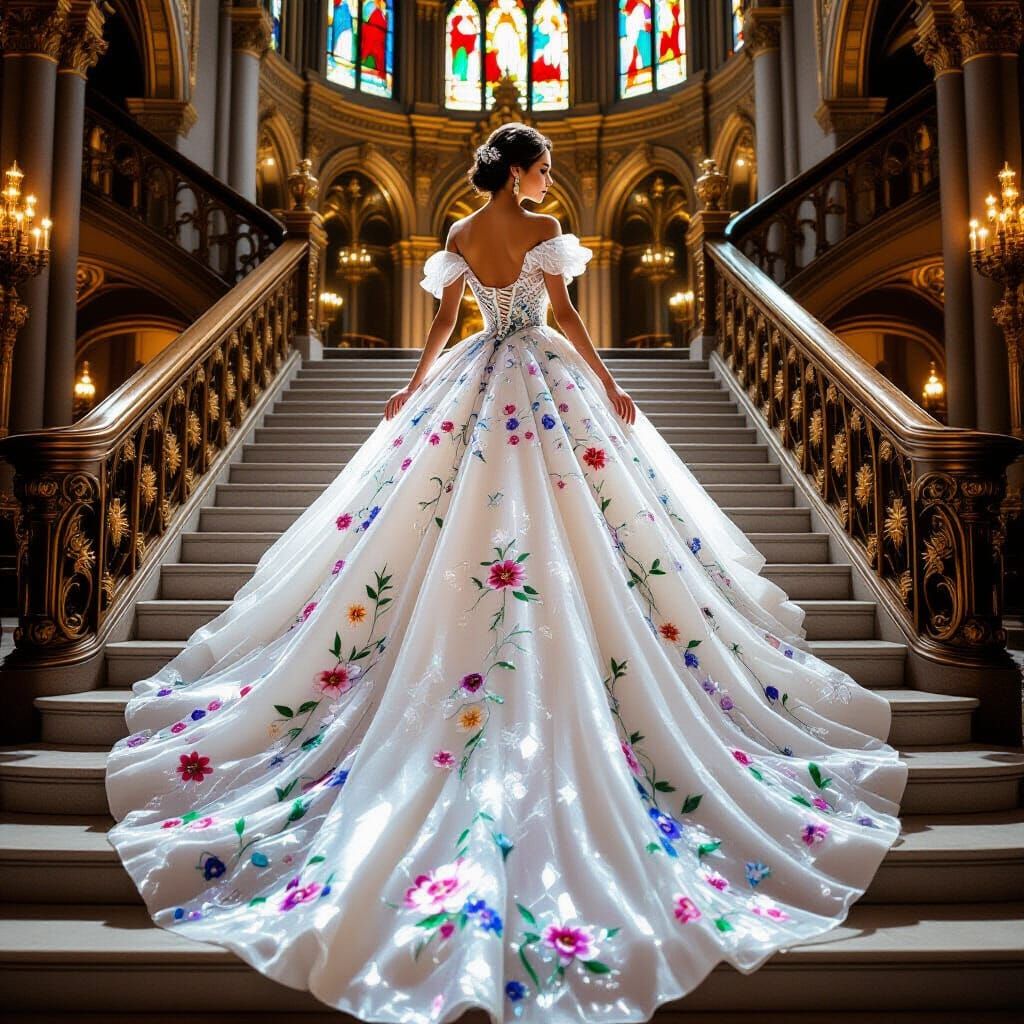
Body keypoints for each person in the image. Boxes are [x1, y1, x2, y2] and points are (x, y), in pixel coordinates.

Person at [105, 122, 908, 1024]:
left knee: (450, 522)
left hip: (475, 375)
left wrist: (415, 389)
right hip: (541, 379)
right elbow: (564, 317)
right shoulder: (540, 230)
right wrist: (605, 384)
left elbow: (446, 323)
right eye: (543, 169)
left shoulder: (455, 237)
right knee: (584, 524)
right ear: (523, 172)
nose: (547, 179)